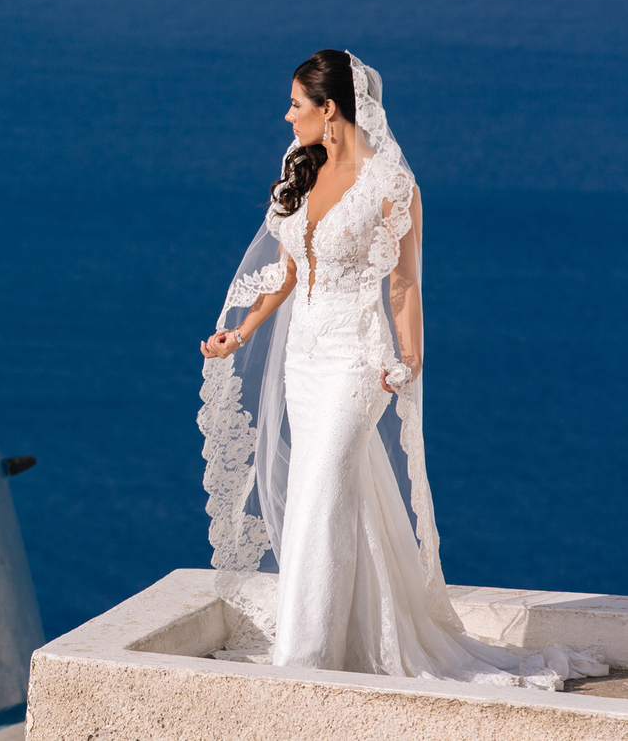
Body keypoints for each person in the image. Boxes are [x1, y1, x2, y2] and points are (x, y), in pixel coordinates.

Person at [196, 50, 605, 689]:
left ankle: (303, 661)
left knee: (321, 489)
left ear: (330, 109)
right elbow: (289, 273)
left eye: (297, 104)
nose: (287, 116)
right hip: (304, 361)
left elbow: (404, 285)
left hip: (355, 365)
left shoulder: (391, 185)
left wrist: (408, 360)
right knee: (328, 494)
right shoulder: (301, 168)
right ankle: (358, 637)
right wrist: (240, 331)